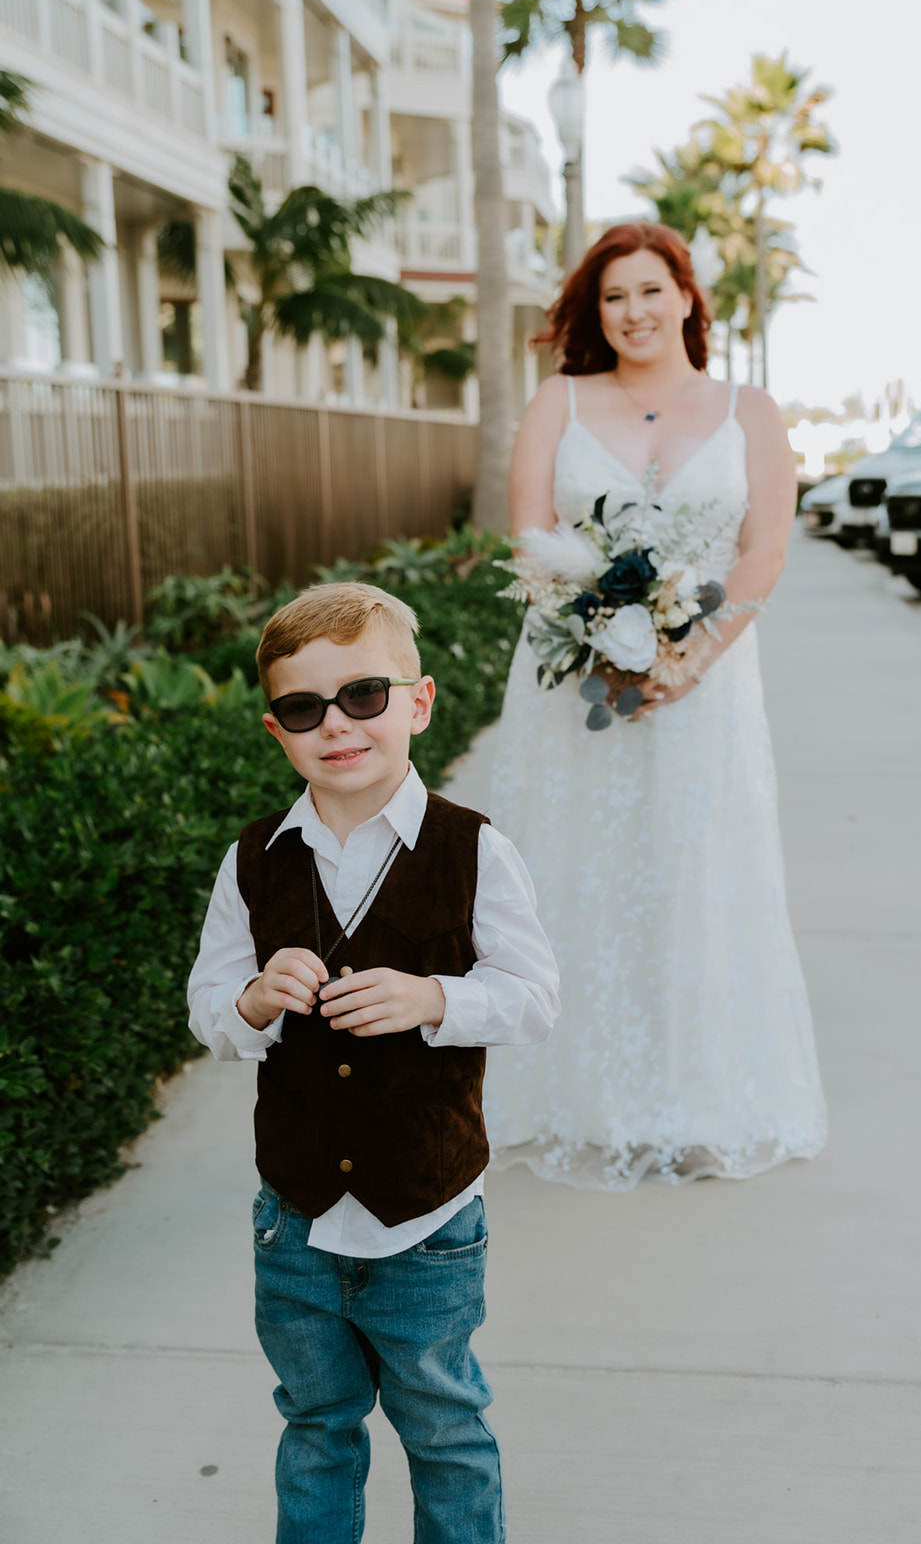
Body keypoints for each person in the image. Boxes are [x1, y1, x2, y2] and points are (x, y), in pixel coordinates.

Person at [187, 581, 560, 1544]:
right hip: (296, 1227)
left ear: (419, 703)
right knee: (316, 1424)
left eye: (364, 694)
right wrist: (254, 999)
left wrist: (436, 998)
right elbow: (208, 1006)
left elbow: (534, 996)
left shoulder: (473, 850)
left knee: (445, 1430)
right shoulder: (253, 860)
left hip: (426, 1228)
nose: (338, 726)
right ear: (278, 731)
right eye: (306, 710)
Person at [476, 220, 827, 1189]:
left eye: (649, 290)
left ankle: (699, 1102)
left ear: (687, 298)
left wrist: (689, 658)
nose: (632, 312)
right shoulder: (561, 401)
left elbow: (763, 550)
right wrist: (603, 642)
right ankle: (576, 1095)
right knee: (579, 871)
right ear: (597, 314)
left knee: (696, 877)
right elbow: (531, 540)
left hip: (707, 690)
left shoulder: (748, 409)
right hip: (574, 685)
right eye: (613, 297)